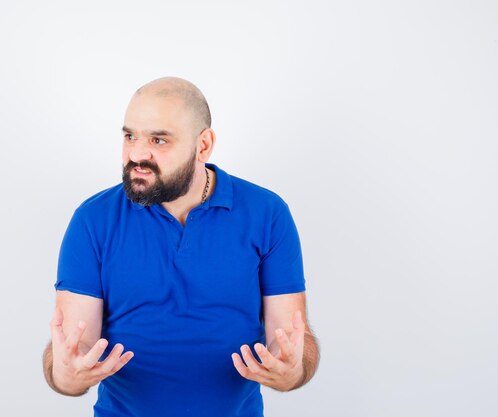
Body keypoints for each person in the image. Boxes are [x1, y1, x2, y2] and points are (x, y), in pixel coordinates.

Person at [42, 76, 320, 416]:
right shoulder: (93, 219)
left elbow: (291, 342)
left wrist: (290, 370)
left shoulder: (267, 214)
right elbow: (73, 350)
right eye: (130, 136)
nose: (137, 154)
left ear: (203, 145)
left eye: (159, 140)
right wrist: (67, 375)